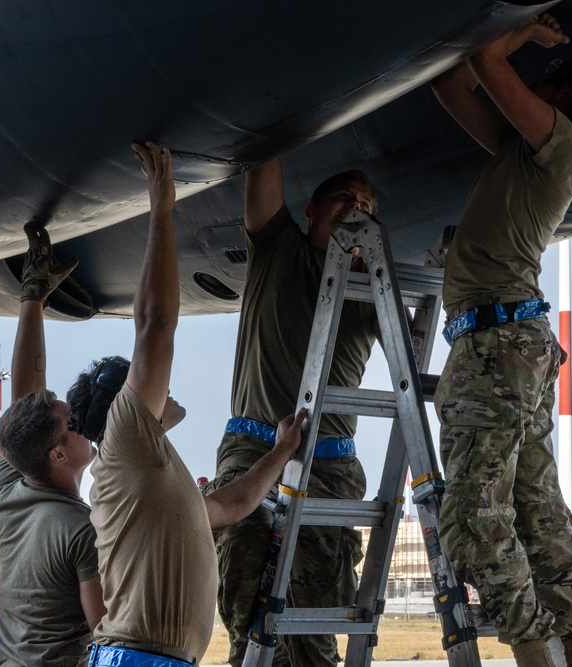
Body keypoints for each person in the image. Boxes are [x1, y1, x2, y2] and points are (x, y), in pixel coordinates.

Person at [430, 14, 572, 667]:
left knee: (474, 518)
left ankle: (533, 653)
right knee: (535, 512)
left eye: (548, 83)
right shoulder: (524, 153)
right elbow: (451, 85)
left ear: (568, 96)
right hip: (507, 342)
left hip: (497, 344)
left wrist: (525, 31)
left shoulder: (564, 147)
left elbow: (489, 65)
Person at [65, 142, 308, 667]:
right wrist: (161, 209)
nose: (163, 388)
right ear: (123, 401)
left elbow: (229, 506)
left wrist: (281, 453)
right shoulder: (126, 440)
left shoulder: (151, 478)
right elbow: (156, 326)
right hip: (139, 658)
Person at [206, 155, 381, 666]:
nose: (357, 209)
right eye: (344, 199)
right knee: (246, 593)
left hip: (330, 464)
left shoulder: (373, 292)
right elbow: (265, 160)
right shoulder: (278, 248)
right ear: (312, 211)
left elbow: (408, 359)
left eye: (367, 206)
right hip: (254, 446)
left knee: (317, 623)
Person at [0, 224, 104, 667]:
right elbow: (108, 631)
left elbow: (25, 398)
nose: (81, 423)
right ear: (56, 454)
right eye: (72, 422)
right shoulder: (81, 529)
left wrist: (32, 297)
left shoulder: (11, 486)